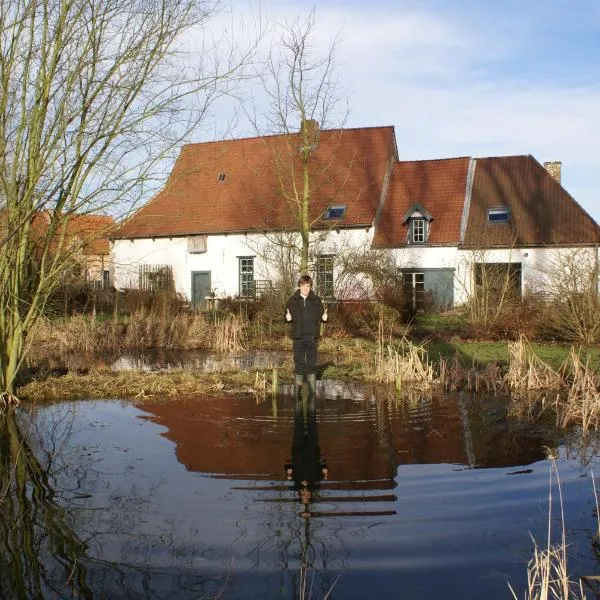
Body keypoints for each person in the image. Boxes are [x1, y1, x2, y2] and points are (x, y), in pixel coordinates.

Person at [285, 275, 328, 391]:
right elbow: (286, 315)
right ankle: (298, 393)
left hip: (312, 337)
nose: (305, 288)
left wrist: (325, 318)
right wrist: (287, 317)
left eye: (307, 286)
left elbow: (322, 316)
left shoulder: (317, 300)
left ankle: (311, 393)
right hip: (298, 337)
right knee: (298, 364)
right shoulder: (292, 301)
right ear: (299, 286)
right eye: (303, 286)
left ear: (310, 287)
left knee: (311, 364)